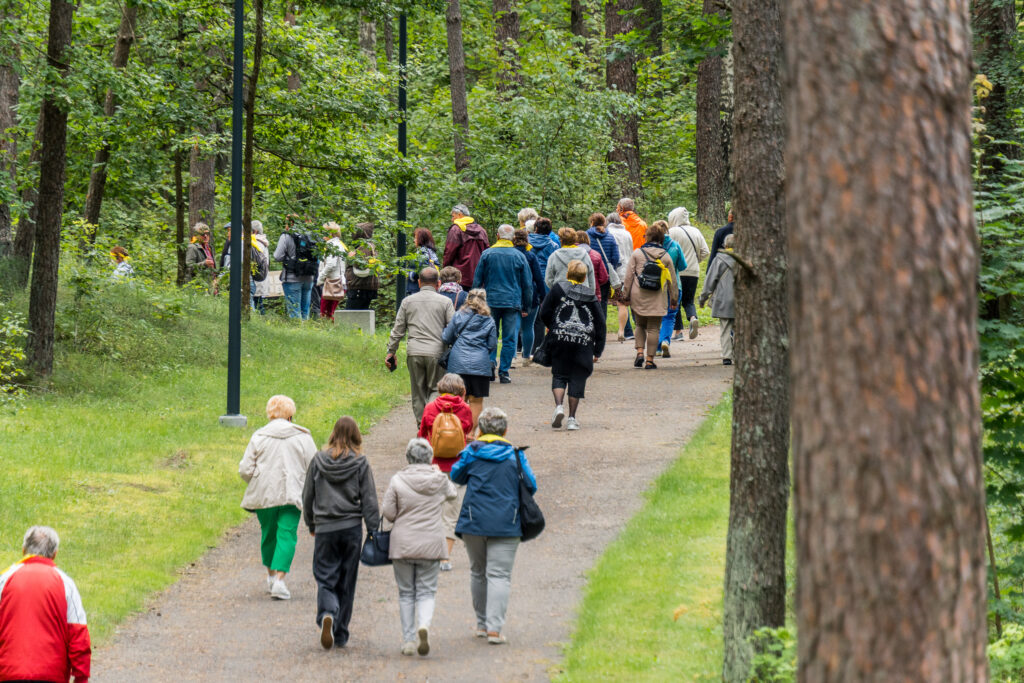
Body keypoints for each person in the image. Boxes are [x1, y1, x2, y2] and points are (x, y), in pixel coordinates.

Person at [451, 407, 537, 645]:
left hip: (473, 520)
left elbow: (456, 476)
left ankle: (481, 624)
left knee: (478, 572)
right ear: (505, 430)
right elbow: (531, 485)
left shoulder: (471, 453)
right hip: (507, 522)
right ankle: (494, 629)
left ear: (479, 430)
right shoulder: (515, 455)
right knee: (499, 575)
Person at [302, 416, 380, 650]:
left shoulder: (318, 460)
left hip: (326, 528)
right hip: (350, 528)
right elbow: (369, 499)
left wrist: (311, 523)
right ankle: (341, 631)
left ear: (333, 434)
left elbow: (308, 495)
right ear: (356, 435)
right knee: (347, 580)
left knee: (325, 578)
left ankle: (327, 612)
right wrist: (373, 530)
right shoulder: (361, 462)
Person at [383, 438, 458, 657]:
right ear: (430, 458)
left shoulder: (397, 480)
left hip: (403, 543)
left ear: (408, 457)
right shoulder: (438, 479)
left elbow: (388, 512)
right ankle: (423, 625)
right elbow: (453, 493)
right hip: (431, 543)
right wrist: (437, 471)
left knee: (406, 593)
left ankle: (408, 640)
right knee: (426, 591)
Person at [238, 395, 317, 601]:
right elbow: (314, 467)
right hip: (293, 493)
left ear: (270, 414)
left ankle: (271, 576)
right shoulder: (303, 437)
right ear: (291, 415)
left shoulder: (259, 436)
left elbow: (245, 468)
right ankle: (280, 580)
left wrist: (255, 481)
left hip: (264, 494)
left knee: (268, 534)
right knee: (287, 534)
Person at [0, 526, 91, 683]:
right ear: (54, 554)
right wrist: (80, 677)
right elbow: (78, 634)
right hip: (51, 675)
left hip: (8, 674)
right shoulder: (66, 584)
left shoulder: (5, 579)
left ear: (24, 550)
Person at [540, 260, 606, 431]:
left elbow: (544, 311)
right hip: (583, 343)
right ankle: (571, 418)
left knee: (560, 374)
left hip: (560, 339)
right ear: (585, 277)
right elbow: (600, 324)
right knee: (577, 377)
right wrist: (597, 349)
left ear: (568, 274)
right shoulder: (591, 296)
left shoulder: (558, 289)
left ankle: (558, 406)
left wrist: (554, 326)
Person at [418, 373, 475, 570]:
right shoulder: (465, 409)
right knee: (451, 513)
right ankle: (444, 558)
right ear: (462, 391)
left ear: (440, 388)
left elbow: (422, 435)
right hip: (457, 467)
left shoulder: (430, 407)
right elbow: (468, 431)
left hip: (433, 466)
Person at [386, 267, 456, 424]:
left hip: (414, 352)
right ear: (438, 283)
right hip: (437, 352)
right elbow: (453, 328)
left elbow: (398, 330)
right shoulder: (445, 302)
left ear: (419, 282)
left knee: (418, 392)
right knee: (436, 389)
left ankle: (421, 425)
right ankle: (432, 424)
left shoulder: (407, 302)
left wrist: (391, 351)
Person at [472, 224, 533, 384]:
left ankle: (490, 365)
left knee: (489, 335)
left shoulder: (486, 254)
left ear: (497, 237)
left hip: (490, 302)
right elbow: (527, 284)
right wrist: (527, 305)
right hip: (512, 302)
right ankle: (504, 371)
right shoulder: (520, 256)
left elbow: (477, 280)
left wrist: (474, 303)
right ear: (513, 238)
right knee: (509, 338)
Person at [620, 223, 679, 369]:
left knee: (640, 324)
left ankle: (639, 352)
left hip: (638, 295)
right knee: (654, 328)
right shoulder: (665, 256)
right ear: (660, 239)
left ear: (647, 237)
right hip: (657, 297)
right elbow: (673, 280)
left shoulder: (637, 253)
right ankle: (649, 360)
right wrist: (674, 299)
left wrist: (625, 295)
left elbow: (628, 277)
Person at [441, 289, 498, 432]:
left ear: (468, 299)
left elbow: (446, 337)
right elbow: (492, 345)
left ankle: (456, 432)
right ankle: (470, 433)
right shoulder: (489, 320)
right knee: (476, 401)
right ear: (484, 301)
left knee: (457, 400)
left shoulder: (458, 316)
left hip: (457, 364)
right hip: (480, 366)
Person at [668, 207, 709, 340]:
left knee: (675, 301)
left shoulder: (672, 232)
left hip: (677, 272)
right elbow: (705, 252)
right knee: (689, 301)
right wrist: (696, 261)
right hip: (693, 271)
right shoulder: (696, 231)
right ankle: (692, 318)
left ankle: (678, 332)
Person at [700, 233, 737, 366]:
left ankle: (727, 356)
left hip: (723, 298)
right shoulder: (743, 259)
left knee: (725, 328)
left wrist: (703, 298)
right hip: (741, 300)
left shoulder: (719, 259)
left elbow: (710, 280)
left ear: (725, 245)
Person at [652, 220, 687, 359]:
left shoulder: (650, 247)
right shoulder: (675, 246)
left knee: (656, 316)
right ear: (667, 230)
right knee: (670, 315)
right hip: (674, 285)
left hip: (655, 286)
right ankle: (665, 341)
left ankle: (657, 347)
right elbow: (683, 266)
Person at [274, 217, 319, 319]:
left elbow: (277, 256)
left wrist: (289, 258)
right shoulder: (311, 236)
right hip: (308, 277)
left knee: (294, 311)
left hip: (292, 277)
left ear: (290, 223)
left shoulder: (286, 236)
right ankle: (305, 333)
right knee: (305, 311)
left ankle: (296, 331)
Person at [513, 228, 545, 364]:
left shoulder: (511, 256)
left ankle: (512, 356)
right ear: (527, 240)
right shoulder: (531, 256)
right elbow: (538, 277)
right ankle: (526, 356)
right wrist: (543, 296)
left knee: (513, 327)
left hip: (513, 295)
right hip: (531, 295)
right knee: (528, 327)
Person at [527, 217, 559, 352]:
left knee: (528, 315)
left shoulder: (527, 244)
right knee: (544, 314)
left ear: (535, 229)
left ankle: (525, 347)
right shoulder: (553, 246)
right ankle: (540, 346)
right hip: (546, 281)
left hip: (530, 280)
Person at [442, 204, 489, 286]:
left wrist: (445, 270)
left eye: (453, 216)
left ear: (460, 215)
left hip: (459, 276)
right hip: (479, 275)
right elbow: (487, 252)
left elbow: (449, 252)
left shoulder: (456, 229)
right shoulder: (482, 230)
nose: (452, 219)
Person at [606, 212, 635, 341]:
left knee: (617, 303)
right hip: (628, 270)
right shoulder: (627, 233)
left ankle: (626, 331)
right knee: (624, 302)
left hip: (615, 272)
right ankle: (627, 331)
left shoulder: (608, 234)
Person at [545, 227, 595, 293]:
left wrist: (556, 290)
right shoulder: (585, 254)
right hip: (582, 294)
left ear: (561, 240)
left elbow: (548, 279)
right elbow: (591, 277)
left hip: (561, 294)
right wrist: (591, 293)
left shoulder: (554, 256)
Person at [345, 222, 381, 311]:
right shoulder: (371, 246)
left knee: (351, 315)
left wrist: (350, 258)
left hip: (359, 287)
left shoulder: (364, 248)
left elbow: (361, 266)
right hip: (365, 286)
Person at [586, 213, 621, 301]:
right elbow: (616, 257)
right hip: (605, 274)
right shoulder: (610, 236)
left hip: (590, 272)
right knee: (603, 301)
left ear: (592, 222)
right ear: (604, 222)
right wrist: (611, 267)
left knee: (589, 300)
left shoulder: (587, 235)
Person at [317, 222, 347, 321]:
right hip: (339, 281)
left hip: (332, 283)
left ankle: (325, 331)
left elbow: (331, 264)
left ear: (330, 234)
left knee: (324, 313)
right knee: (330, 313)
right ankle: (330, 330)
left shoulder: (332, 245)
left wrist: (320, 277)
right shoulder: (340, 244)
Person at [574, 231, 608, 305]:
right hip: (594, 291)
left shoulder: (570, 254)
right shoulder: (595, 255)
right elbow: (604, 277)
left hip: (574, 291)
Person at [406, 228, 440, 295]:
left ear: (421, 239)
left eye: (416, 238)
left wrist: (408, 274)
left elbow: (420, 272)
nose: (414, 240)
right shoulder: (431, 252)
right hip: (428, 289)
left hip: (417, 289)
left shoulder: (422, 253)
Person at [252, 221, 272, 314]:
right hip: (261, 277)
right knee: (258, 302)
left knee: (257, 304)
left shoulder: (256, 243)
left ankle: (259, 320)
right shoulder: (263, 242)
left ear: (254, 231)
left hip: (256, 278)